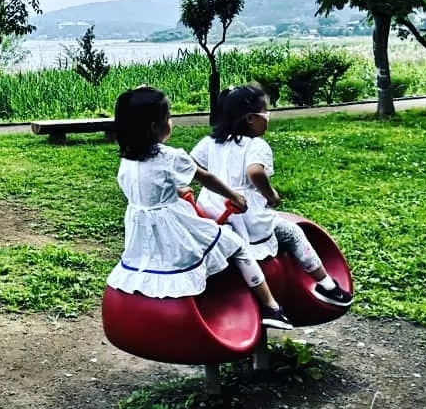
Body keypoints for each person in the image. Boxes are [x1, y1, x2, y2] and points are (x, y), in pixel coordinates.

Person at [106, 85, 294, 330]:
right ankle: (271, 307)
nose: (171, 121)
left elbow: (148, 187)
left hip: (141, 229)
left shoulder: (127, 160)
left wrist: (173, 191)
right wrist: (233, 195)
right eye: (169, 117)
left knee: (151, 260)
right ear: (156, 127)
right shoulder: (170, 156)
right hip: (173, 225)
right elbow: (206, 178)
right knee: (234, 243)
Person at [190, 84, 354, 308]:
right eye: (265, 112)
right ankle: (327, 286)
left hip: (211, 212)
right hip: (246, 217)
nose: (268, 118)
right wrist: (271, 194)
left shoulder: (210, 142)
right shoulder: (256, 145)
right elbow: (255, 171)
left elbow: (191, 166)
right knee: (293, 233)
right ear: (250, 118)